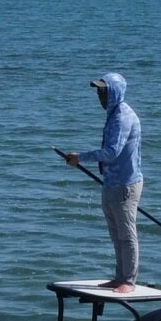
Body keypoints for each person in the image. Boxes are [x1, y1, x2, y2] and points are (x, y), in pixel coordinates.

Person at [61, 71, 145, 293]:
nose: (100, 96)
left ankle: (129, 280)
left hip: (125, 185)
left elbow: (112, 152)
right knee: (115, 234)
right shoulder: (113, 114)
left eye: (104, 91)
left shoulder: (122, 117)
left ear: (115, 93)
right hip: (111, 183)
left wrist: (81, 157)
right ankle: (119, 277)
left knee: (127, 235)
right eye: (99, 92)